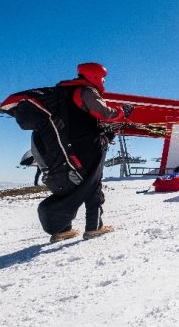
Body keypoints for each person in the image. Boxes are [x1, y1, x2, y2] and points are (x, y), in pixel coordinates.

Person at [36, 62, 131, 243]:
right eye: (102, 78)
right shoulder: (86, 90)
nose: (103, 81)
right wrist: (122, 111)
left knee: (73, 183)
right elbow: (105, 114)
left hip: (68, 146)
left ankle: (63, 229)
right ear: (94, 76)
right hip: (86, 146)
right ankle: (94, 228)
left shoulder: (64, 93)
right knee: (92, 182)